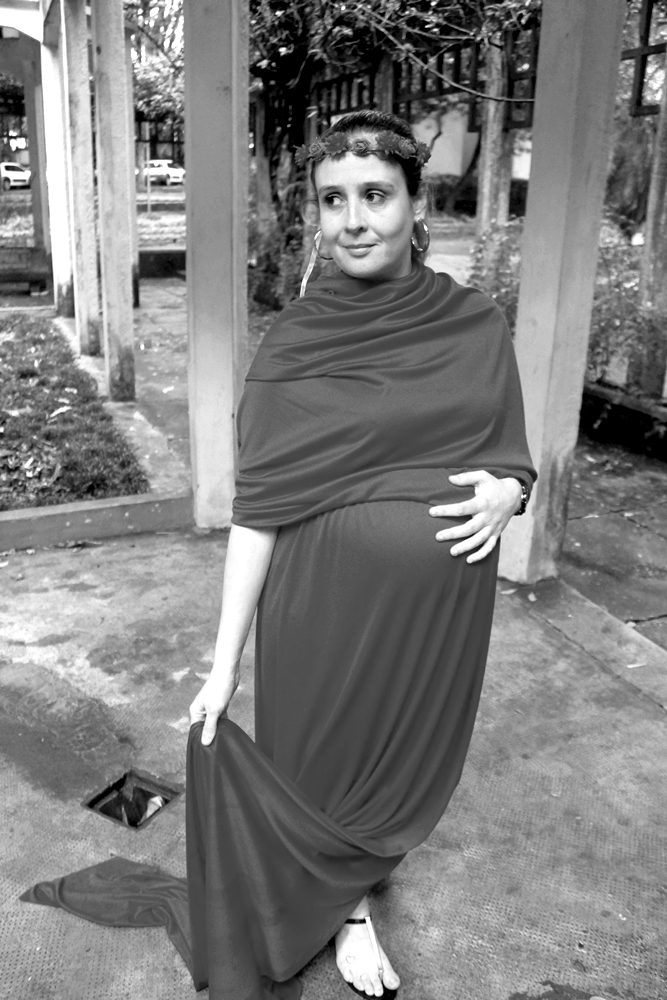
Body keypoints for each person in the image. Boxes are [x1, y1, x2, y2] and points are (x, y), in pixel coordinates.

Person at [186, 110, 536, 1000]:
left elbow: (507, 450)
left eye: (374, 195)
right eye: (333, 200)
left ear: (417, 205)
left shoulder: (474, 325)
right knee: (322, 761)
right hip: (322, 609)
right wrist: (224, 667)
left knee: (395, 763)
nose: (352, 220)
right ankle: (346, 913)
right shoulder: (295, 344)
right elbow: (258, 513)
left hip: (435, 622)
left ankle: (353, 873)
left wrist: (510, 490)